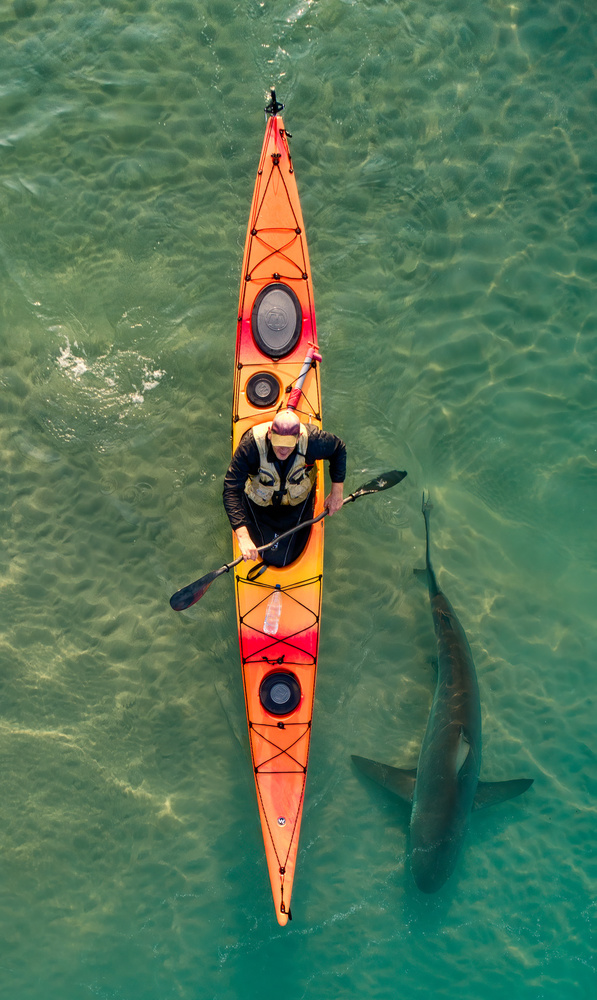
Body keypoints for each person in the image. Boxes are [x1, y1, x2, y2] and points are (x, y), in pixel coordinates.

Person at [223, 409, 346, 568]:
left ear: (298, 437)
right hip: (260, 504)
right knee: (267, 554)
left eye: (288, 444)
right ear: (269, 434)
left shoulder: (313, 440)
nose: (283, 449)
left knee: (286, 557)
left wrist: (337, 491)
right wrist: (243, 537)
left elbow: (338, 449)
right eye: (278, 441)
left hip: (297, 502)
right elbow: (231, 489)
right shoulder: (250, 446)